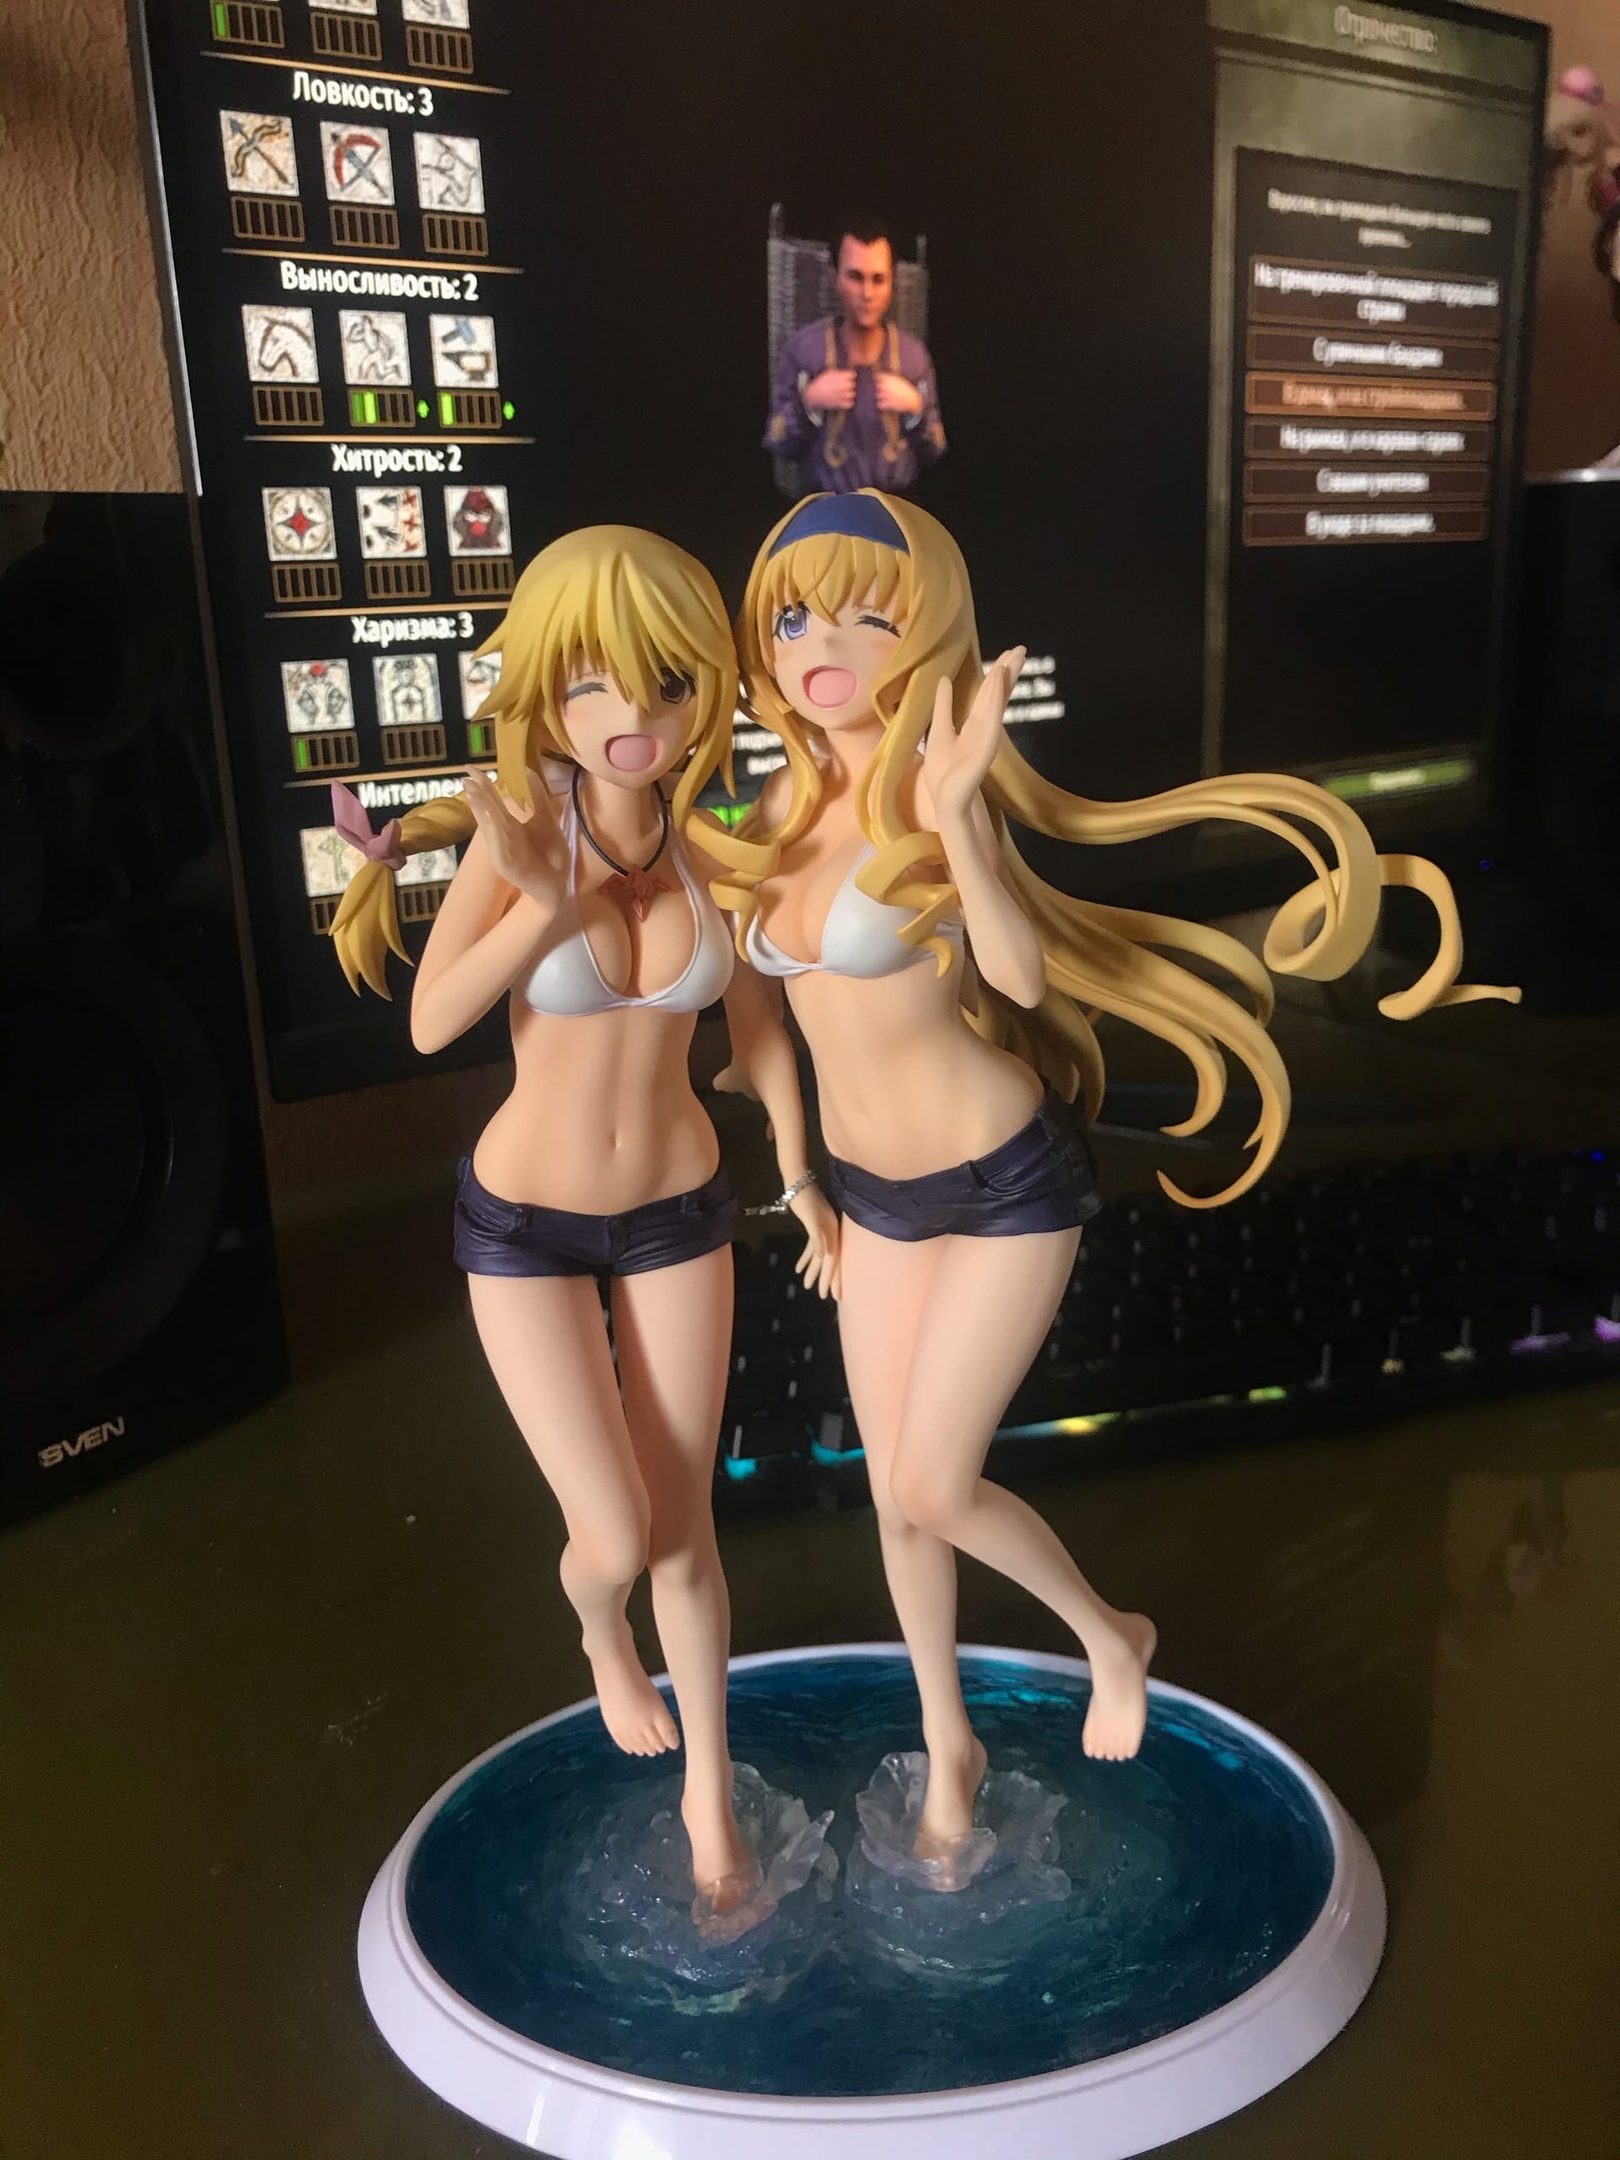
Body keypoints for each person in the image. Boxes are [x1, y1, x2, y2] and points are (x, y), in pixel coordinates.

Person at [727, 487, 1516, 1880]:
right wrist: (800, 1184)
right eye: (792, 618)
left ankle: (1110, 1635)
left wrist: (961, 817)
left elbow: (1019, 977)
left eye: (863, 615)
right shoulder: (776, 806)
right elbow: (761, 1028)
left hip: (1001, 1180)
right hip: (870, 1196)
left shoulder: (930, 794)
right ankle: (949, 1746)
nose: (820, 647)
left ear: (926, 633)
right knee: (894, 1498)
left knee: (933, 1482)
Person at [328, 525, 839, 1931]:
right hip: (526, 1227)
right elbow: (433, 1020)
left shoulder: (711, 853)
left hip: (681, 1213)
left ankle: (710, 1798)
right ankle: (597, 1631)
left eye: (665, 682)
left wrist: (802, 1176)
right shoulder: (519, 843)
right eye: (592, 683)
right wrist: (543, 902)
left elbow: (759, 1033)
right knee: (612, 1538)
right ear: (545, 688)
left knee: (687, 1526)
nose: (632, 717)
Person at [765, 220, 946, 496]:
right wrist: (808, 403)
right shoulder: (804, 350)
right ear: (837, 277)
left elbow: (936, 448)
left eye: (878, 279)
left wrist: (915, 409)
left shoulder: (912, 357)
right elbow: (777, 440)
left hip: (894, 506)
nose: (867, 294)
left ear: (892, 283)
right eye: (856, 277)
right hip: (825, 505)